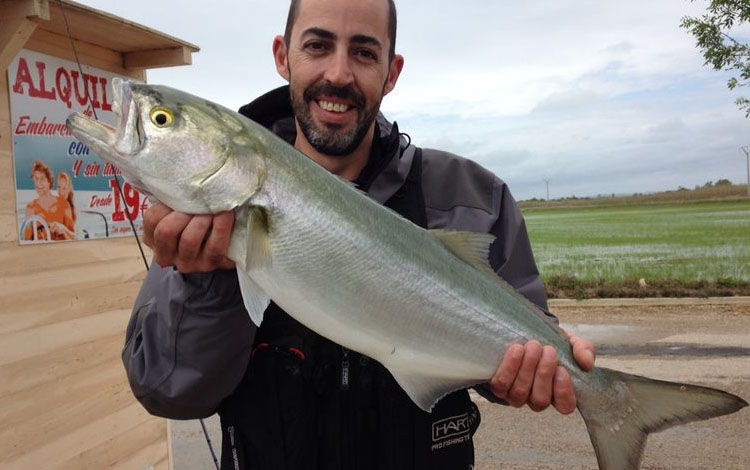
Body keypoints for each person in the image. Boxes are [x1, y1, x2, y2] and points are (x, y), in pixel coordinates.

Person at [122, 1, 596, 468]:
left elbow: (519, 348)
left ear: (392, 71)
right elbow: (167, 392)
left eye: (365, 53)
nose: (339, 74)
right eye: (317, 45)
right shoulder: (194, 222)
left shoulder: (473, 196)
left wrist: (531, 370)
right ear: (283, 55)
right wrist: (207, 282)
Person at [24, 159, 75, 241]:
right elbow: (26, 240)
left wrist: (64, 229)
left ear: (49, 181)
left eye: (42, 178)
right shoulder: (30, 208)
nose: (39, 183)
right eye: (36, 179)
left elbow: (74, 238)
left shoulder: (64, 204)